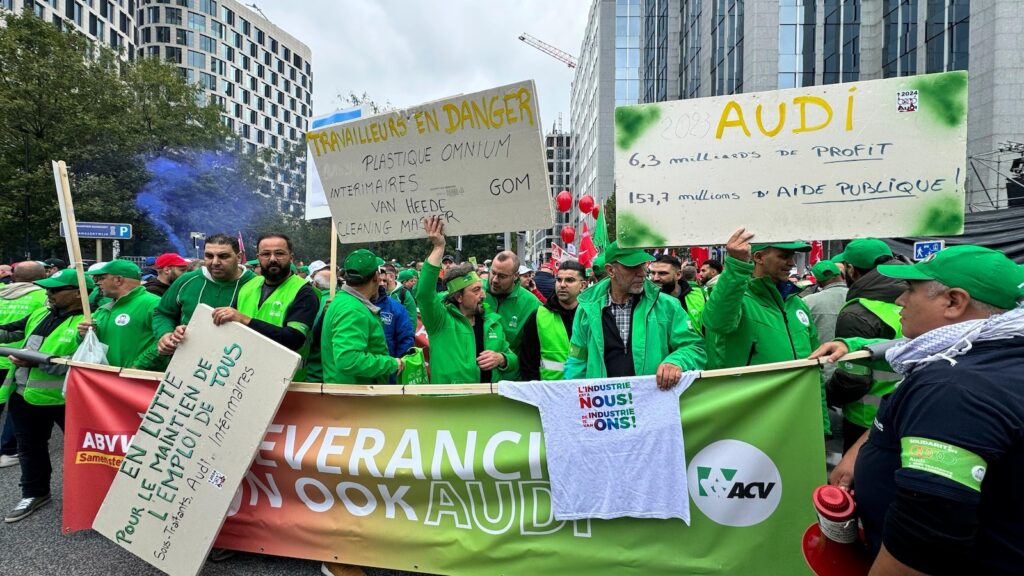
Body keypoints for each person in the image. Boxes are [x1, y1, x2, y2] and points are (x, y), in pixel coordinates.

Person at [811, 245, 1024, 575]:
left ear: (954, 302)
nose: (899, 300)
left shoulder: (953, 388)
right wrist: (866, 447)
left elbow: (924, 543)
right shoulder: (995, 352)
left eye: (911, 290)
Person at [701, 229, 827, 431]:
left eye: (793, 257)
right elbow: (717, 323)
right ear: (758, 257)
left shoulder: (797, 304)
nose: (792, 263)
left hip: (796, 416)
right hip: (749, 418)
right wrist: (736, 265)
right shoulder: (736, 296)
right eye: (784, 256)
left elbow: (814, 367)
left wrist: (821, 422)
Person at [0, 269, 90, 522]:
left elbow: (86, 363)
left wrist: (37, 364)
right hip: (25, 394)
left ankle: (90, 499)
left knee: (83, 451)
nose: (48, 293)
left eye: (55, 290)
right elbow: (12, 332)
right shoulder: (43, 312)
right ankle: (35, 493)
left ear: (76, 293)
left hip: (67, 399)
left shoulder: (90, 321)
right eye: (48, 289)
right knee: (29, 447)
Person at [563, 241, 705, 387]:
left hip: (652, 402)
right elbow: (577, 361)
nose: (643, 272)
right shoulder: (587, 309)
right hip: (603, 405)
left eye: (643, 264)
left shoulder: (667, 306)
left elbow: (694, 347)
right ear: (610, 270)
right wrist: (573, 397)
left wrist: (676, 361)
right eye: (632, 267)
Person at [416, 216, 517, 384]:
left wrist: (502, 359)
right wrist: (438, 247)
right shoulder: (440, 321)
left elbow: (513, 360)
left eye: (482, 289)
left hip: (488, 403)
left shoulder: (492, 322)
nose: (483, 295)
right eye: (476, 290)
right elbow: (425, 294)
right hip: (451, 404)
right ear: (459, 297)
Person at [828, 238, 907, 452]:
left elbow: (853, 380)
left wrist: (822, 397)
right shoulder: (914, 298)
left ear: (851, 270)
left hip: (866, 422)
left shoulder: (857, 313)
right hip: (909, 413)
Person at [211, 234, 319, 358]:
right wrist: (190, 332)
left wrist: (246, 320)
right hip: (245, 370)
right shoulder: (248, 286)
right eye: (266, 254)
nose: (272, 259)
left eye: (279, 253)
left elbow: (294, 339)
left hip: (285, 374)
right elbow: (229, 326)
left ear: (291, 258)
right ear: (258, 257)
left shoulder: (304, 291)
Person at [153, 234, 256, 359]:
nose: (215, 262)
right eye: (209, 256)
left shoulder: (256, 284)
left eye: (223, 256)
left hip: (235, 364)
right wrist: (165, 334)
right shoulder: (187, 280)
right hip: (186, 361)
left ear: (238, 257)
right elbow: (163, 313)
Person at [320, 249, 404, 385]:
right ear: (376, 276)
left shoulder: (343, 301)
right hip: (354, 397)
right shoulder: (352, 310)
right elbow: (348, 360)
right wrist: (392, 364)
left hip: (348, 392)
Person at [0, 261, 47, 469]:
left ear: (14, 275)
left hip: (9, 356)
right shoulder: (44, 296)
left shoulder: (1, 293)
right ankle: (8, 450)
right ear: (43, 275)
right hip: (20, 360)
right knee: (17, 406)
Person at [78, 260, 164, 370]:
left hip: (136, 383)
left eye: (101, 278)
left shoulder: (153, 304)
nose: (97, 283)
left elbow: (167, 341)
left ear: (118, 279)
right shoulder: (103, 310)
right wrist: (83, 334)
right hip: (105, 380)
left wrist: (138, 366)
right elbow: (88, 344)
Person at [519, 260, 586, 381]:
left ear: (582, 285)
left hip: (585, 394)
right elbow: (527, 363)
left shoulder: (591, 317)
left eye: (569, 280)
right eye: (559, 280)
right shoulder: (539, 316)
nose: (562, 285)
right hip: (549, 394)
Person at [483, 250, 540, 379]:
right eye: (493, 272)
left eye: (502, 276)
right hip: (476, 379)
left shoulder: (531, 304)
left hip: (510, 381)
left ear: (516, 276)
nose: (495, 280)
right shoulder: (476, 291)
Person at [648, 255, 706, 333]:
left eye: (662, 273)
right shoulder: (644, 299)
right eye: (652, 273)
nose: (655, 278)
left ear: (678, 275)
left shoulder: (698, 295)